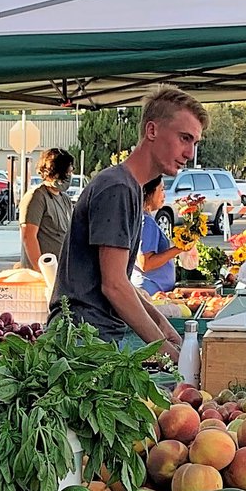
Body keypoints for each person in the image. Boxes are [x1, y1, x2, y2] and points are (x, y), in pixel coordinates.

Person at [52, 85, 208, 354]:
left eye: (194, 143)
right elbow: (113, 286)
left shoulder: (132, 188)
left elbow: (120, 278)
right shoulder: (118, 188)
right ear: (152, 131)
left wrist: (164, 326)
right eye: (184, 138)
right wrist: (165, 352)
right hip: (82, 342)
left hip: (96, 337)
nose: (190, 153)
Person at [20, 147, 75, 272]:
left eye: (70, 172)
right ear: (52, 172)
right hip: (41, 274)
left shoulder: (65, 199)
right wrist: (41, 271)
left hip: (60, 271)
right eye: (65, 172)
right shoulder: (37, 197)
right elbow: (29, 237)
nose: (68, 176)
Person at [139, 177, 181, 295]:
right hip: (151, 290)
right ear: (150, 193)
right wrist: (179, 249)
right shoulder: (146, 222)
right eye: (162, 190)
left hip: (153, 289)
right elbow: (145, 263)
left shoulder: (145, 218)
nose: (164, 195)